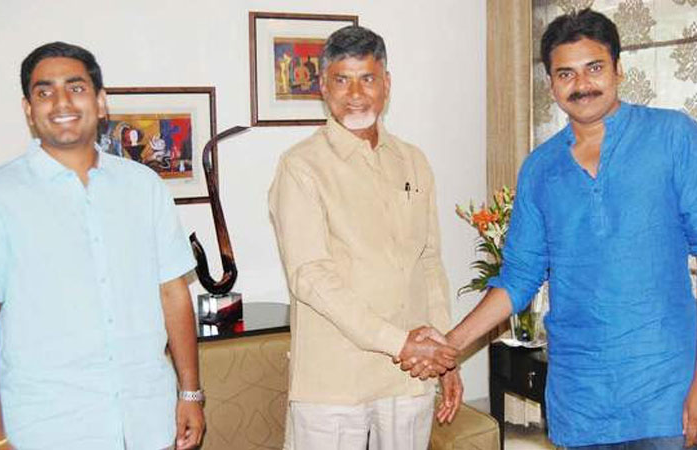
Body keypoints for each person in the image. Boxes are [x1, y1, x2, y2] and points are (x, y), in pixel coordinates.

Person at [404, 8, 697, 449]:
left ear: (619, 69)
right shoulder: (540, 169)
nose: (582, 85)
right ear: (551, 84)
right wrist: (450, 344)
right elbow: (519, 278)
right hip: (579, 397)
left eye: (594, 68)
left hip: (666, 391)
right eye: (566, 74)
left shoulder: (673, 137)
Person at [0, 42, 205, 449]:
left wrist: (190, 393)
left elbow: (173, 294)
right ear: (28, 109)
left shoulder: (143, 186)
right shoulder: (3, 195)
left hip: (148, 417)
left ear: (101, 101)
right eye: (44, 91)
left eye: (75, 88)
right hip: (47, 425)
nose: (61, 101)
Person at [268, 25, 461, 450]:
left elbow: (429, 263)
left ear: (386, 84)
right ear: (323, 86)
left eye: (368, 78)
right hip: (335, 381)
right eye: (342, 79)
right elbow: (311, 277)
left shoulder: (413, 161)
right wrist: (400, 342)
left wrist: (444, 355)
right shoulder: (301, 167)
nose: (356, 93)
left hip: (410, 376)